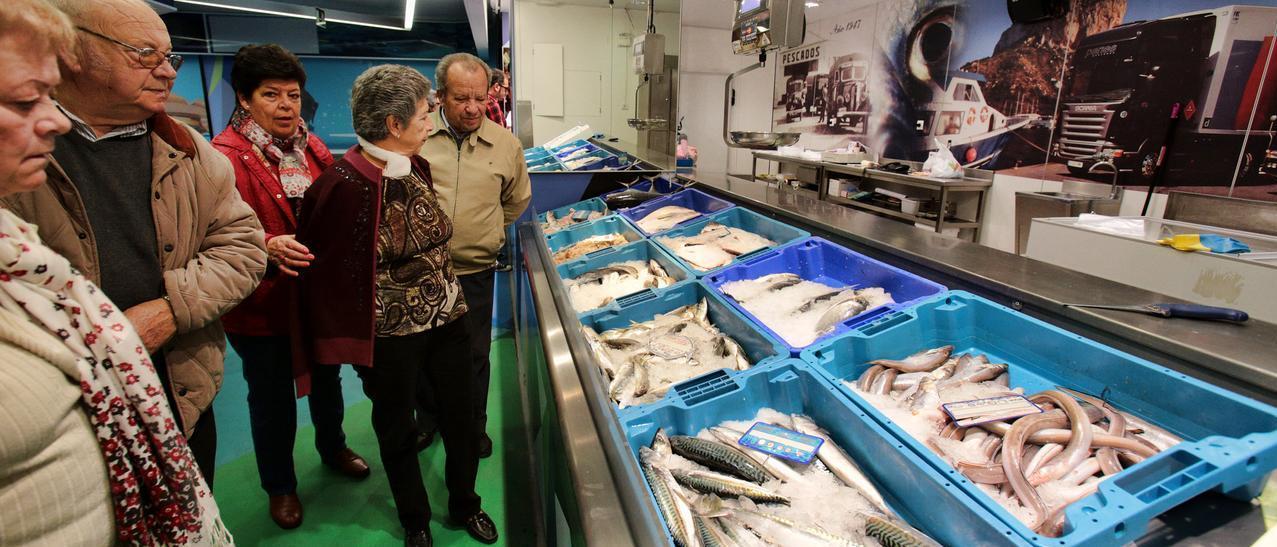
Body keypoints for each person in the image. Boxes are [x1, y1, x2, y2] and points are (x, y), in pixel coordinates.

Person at [2, 0, 268, 484]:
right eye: (146, 54)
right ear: (73, 49)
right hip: (66, 418)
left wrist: (169, 310)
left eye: (172, 57)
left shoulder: (190, 151)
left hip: (180, 392)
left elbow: (245, 247)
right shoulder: (16, 162)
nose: (167, 72)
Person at [295, 64, 498, 547]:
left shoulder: (417, 166)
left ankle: (466, 502)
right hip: (389, 336)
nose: (431, 121)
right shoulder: (342, 183)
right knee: (396, 428)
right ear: (393, 124)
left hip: (448, 318)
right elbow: (328, 271)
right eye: (425, 115)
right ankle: (415, 519)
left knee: (462, 414)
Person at [211, 43, 369, 530]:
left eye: (293, 95)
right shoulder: (222, 158)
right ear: (244, 98)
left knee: (327, 380)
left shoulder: (313, 147)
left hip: (315, 298)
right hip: (263, 303)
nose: (285, 106)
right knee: (271, 397)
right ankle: (280, 487)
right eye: (271, 95)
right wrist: (265, 244)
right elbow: (209, 230)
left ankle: (333, 447)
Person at [419, 53, 531, 459]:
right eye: (460, 98)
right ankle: (428, 419)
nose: (471, 108)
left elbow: (516, 200)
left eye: (479, 98)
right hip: (420, 272)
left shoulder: (505, 145)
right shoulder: (416, 137)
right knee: (423, 354)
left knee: (474, 356)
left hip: (475, 270)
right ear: (440, 96)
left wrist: (485, 231)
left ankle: (472, 427)